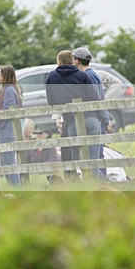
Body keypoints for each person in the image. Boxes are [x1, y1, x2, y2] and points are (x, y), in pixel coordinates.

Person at [44, 50, 100, 177]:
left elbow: (51, 101)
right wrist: (103, 118)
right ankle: (95, 187)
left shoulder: (52, 77)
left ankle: (77, 187)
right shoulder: (82, 75)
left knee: (75, 160)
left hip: (71, 121)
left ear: (59, 62)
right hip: (91, 118)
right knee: (93, 160)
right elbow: (94, 97)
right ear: (73, 61)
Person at [72, 46, 112, 177]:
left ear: (77, 61)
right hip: (95, 119)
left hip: (92, 119)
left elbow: (98, 100)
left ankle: (101, 184)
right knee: (94, 157)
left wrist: (106, 120)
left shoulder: (87, 76)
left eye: (73, 59)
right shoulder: (91, 74)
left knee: (94, 158)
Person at [0, 65, 22, 185]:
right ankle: (13, 186)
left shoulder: (9, 90)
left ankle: (16, 187)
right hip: (4, 129)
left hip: (7, 130)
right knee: (6, 161)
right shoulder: (7, 89)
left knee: (9, 161)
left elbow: (8, 111)